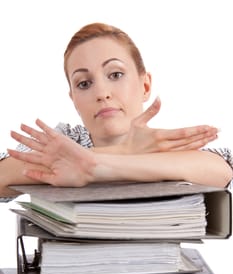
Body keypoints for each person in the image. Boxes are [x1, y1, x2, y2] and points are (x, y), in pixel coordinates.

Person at [2, 22, 233, 198]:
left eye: (115, 74)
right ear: (73, 99)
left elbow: (222, 172)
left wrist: (94, 166)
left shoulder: (162, 144)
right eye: (84, 83)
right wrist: (125, 151)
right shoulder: (63, 140)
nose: (102, 93)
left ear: (145, 86)